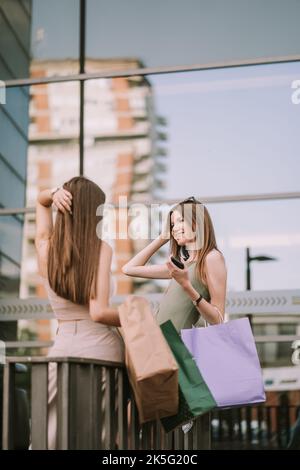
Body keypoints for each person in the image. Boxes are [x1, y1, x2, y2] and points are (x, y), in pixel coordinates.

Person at [34, 176, 124, 449]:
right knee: (101, 433)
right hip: (102, 348)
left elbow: (39, 203)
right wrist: (135, 315)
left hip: (63, 347)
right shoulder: (101, 249)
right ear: (92, 212)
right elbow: (99, 312)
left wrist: (51, 194)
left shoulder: (46, 248)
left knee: (53, 431)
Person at [122, 196, 227, 330]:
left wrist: (186, 285)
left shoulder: (212, 258)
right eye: (172, 224)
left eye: (181, 220)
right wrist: (162, 237)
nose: (175, 228)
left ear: (197, 223)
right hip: (160, 338)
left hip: (176, 342)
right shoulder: (182, 266)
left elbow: (218, 319)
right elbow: (129, 269)